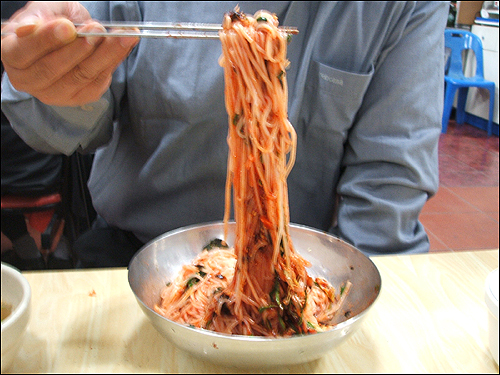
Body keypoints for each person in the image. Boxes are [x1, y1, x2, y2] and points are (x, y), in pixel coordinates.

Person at [1, 1, 449, 268]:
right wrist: (55, 76)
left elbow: (387, 195)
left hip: (301, 268)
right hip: (135, 257)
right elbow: (73, 119)